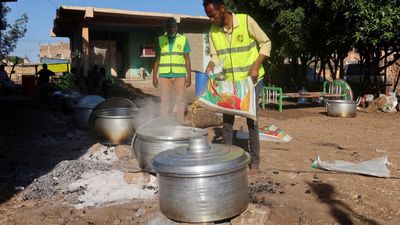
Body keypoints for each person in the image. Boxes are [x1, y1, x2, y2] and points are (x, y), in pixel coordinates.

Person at [203, 0, 272, 174]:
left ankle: (255, 162)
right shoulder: (213, 31)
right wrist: (211, 63)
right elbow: (215, 55)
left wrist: (256, 65)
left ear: (223, 9)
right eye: (209, 16)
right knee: (227, 122)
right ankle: (227, 159)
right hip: (230, 84)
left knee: (252, 121)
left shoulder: (246, 21)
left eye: (213, 15)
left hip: (251, 82)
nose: (211, 20)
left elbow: (266, 43)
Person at [152, 17, 192, 122]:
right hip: (164, 75)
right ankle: (164, 122)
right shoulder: (160, 39)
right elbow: (157, 59)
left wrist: (189, 76)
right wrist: (154, 76)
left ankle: (179, 122)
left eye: (173, 27)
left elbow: (187, 59)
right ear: (166, 28)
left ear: (176, 27)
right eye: (169, 27)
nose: (171, 29)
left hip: (179, 75)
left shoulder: (183, 39)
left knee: (180, 100)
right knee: (165, 100)